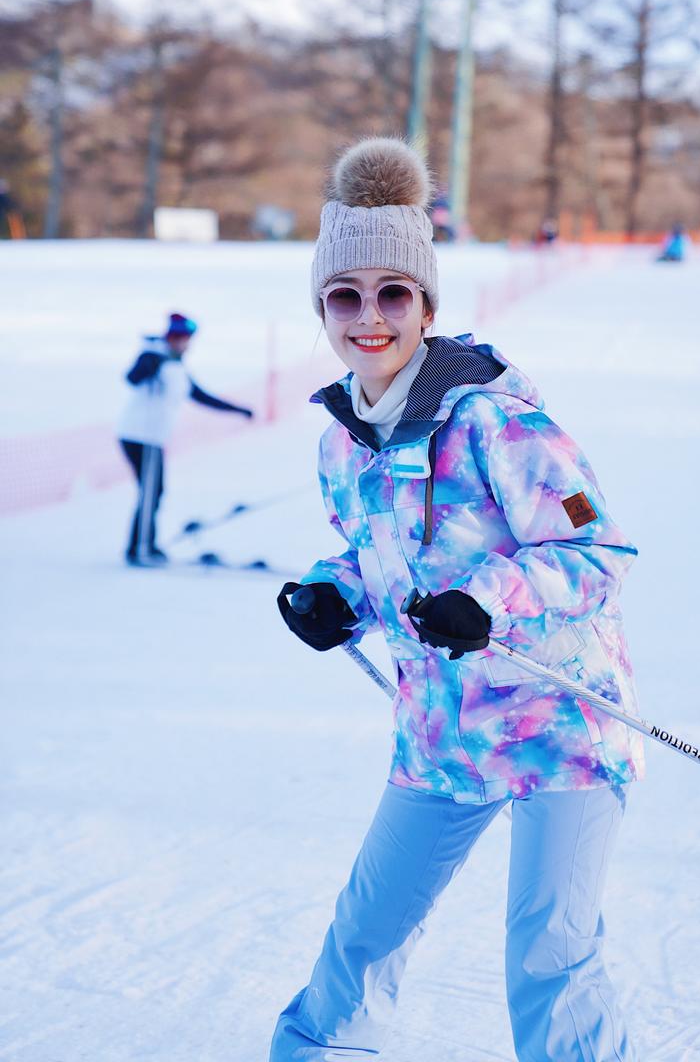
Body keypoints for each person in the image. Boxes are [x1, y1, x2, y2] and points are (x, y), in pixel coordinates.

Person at [270, 138, 644, 1062]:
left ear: (426, 307)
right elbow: (377, 553)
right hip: (442, 732)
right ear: (321, 308)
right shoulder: (341, 440)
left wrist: (489, 600)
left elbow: (599, 548)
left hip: (560, 728)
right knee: (363, 940)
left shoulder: (496, 418)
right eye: (344, 296)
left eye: (392, 294)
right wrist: (332, 592)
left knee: (549, 959)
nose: (369, 317)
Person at [118, 312, 253, 566]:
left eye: (187, 339)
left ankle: (144, 544)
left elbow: (200, 396)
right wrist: (152, 360)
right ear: (170, 338)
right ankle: (140, 549)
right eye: (180, 338)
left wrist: (238, 410)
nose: (185, 343)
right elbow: (132, 378)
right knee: (150, 492)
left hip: (153, 439)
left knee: (154, 492)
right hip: (140, 436)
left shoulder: (176, 366)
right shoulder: (153, 357)